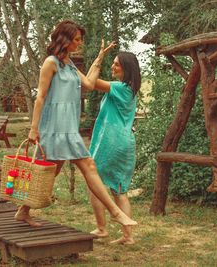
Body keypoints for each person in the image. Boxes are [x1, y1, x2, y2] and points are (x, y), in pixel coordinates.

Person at [14, 19, 137, 228]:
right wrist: (34, 128)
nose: (79, 43)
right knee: (88, 165)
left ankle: (23, 211)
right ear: (66, 39)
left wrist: (99, 58)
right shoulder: (50, 63)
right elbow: (41, 97)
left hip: (68, 126)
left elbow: (89, 84)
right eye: (77, 40)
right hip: (54, 127)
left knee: (53, 170)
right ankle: (115, 213)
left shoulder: (69, 64)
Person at [88, 51, 141, 245]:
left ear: (127, 69)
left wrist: (97, 59)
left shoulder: (120, 87)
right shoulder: (129, 89)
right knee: (119, 190)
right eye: (113, 63)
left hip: (112, 142)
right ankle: (128, 236)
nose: (113, 67)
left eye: (117, 64)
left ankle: (102, 229)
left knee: (94, 184)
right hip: (124, 143)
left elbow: (90, 82)